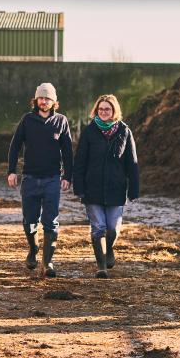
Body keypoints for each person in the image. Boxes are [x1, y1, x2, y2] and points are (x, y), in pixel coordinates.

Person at [7, 82, 73, 278]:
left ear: (54, 102)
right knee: (29, 221)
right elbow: (15, 146)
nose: (44, 102)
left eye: (47, 98)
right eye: (41, 98)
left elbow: (68, 152)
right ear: (36, 100)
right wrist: (12, 171)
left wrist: (67, 176)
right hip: (30, 178)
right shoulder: (27, 120)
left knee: (51, 222)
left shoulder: (61, 121)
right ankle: (33, 248)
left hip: (52, 179)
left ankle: (48, 263)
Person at [72, 94, 139, 278]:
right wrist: (78, 187)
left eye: (107, 109)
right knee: (98, 227)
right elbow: (80, 161)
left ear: (114, 111)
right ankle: (101, 266)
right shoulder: (89, 131)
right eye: (100, 109)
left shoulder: (124, 131)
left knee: (113, 229)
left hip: (116, 189)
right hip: (92, 188)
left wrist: (134, 190)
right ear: (96, 110)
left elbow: (132, 163)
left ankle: (109, 249)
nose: (103, 112)